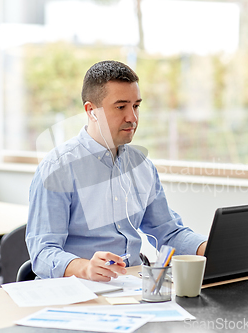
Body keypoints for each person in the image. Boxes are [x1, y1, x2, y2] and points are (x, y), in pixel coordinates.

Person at [26, 60, 207, 282]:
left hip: (131, 288)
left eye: (136, 106)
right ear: (91, 111)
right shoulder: (58, 169)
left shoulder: (142, 166)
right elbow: (43, 253)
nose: (132, 117)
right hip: (78, 292)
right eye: (121, 107)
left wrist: (212, 249)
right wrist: (85, 267)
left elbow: (168, 233)